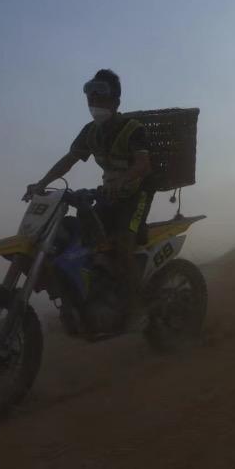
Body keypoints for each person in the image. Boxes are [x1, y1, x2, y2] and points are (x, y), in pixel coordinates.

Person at [23, 69, 153, 324]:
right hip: (107, 194)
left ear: (115, 102)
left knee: (124, 243)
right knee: (81, 239)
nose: (94, 103)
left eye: (101, 97)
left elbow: (143, 165)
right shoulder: (90, 132)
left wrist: (123, 181)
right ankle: (100, 294)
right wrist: (41, 183)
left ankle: (138, 308)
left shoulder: (132, 129)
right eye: (91, 98)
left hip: (136, 195)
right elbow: (69, 160)